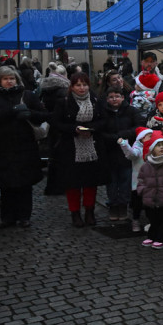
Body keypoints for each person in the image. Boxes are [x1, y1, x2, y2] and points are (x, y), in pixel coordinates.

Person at [0, 66, 50, 227]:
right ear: (0, 81)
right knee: (6, 185)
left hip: (25, 146)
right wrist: (11, 111)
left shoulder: (28, 95)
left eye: (11, 78)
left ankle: (24, 215)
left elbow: (43, 115)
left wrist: (30, 114)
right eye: (5, 79)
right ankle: (8, 217)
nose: (9, 81)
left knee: (25, 185)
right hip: (2, 148)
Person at [52, 72, 109, 227]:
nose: (82, 88)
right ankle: (75, 213)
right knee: (73, 183)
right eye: (78, 85)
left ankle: (89, 212)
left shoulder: (96, 100)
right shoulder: (63, 101)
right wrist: (74, 129)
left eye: (84, 84)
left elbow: (104, 120)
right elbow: (56, 123)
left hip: (93, 146)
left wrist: (92, 128)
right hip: (71, 148)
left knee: (91, 182)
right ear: (72, 86)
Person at [99, 85, 143, 221]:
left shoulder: (131, 111)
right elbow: (100, 130)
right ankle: (113, 204)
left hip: (127, 152)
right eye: (111, 97)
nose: (114, 99)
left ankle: (123, 205)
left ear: (123, 97)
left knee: (125, 181)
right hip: (110, 152)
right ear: (107, 99)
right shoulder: (103, 112)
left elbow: (138, 128)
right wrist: (113, 138)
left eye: (117, 96)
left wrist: (122, 135)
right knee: (111, 182)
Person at [137, 133, 163, 249]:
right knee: (153, 219)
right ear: (152, 149)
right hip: (149, 198)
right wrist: (142, 190)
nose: (162, 148)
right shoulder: (146, 165)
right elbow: (141, 179)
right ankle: (152, 236)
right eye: (158, 146)